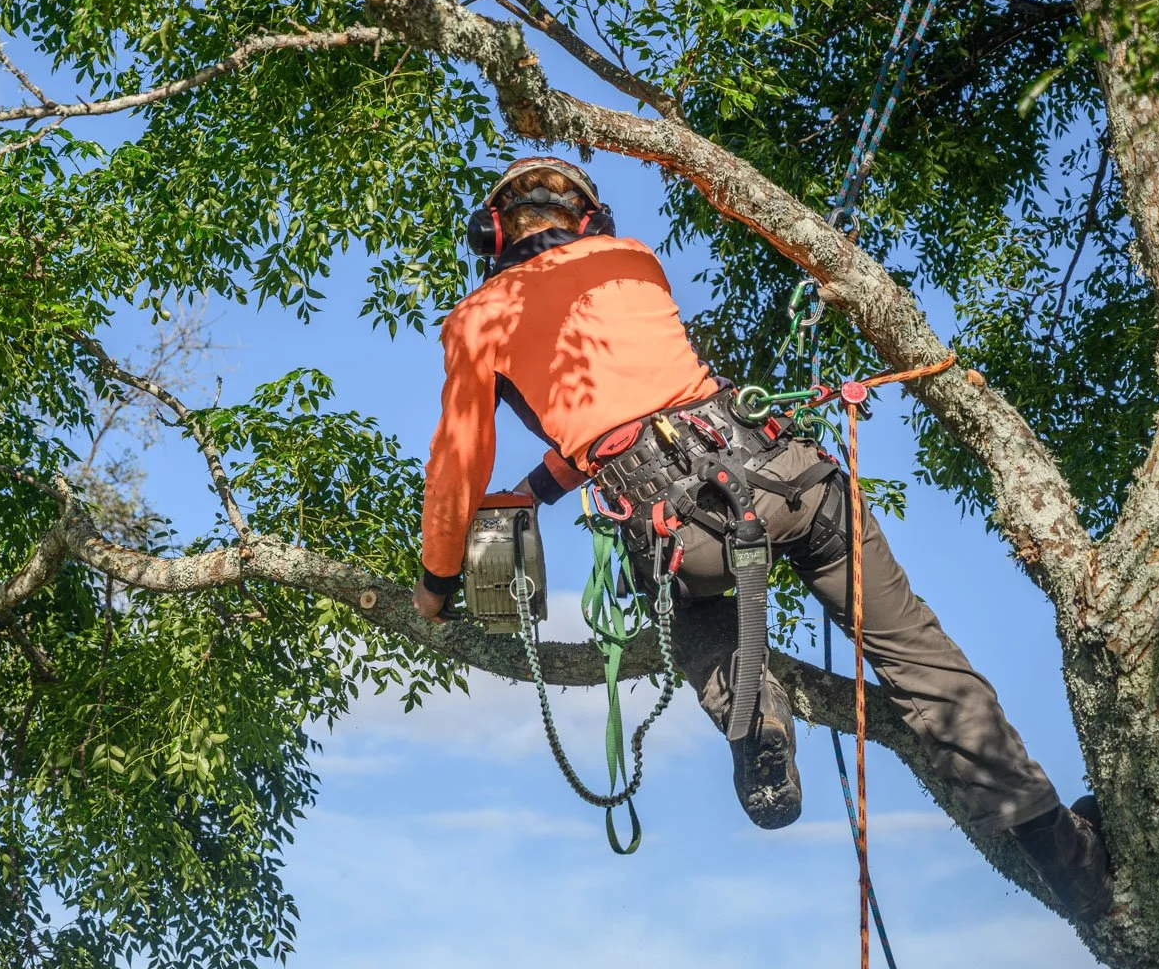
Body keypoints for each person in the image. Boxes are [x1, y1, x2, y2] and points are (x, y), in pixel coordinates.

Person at [410, 156, 1113, 923]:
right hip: (793, 483)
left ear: (491, 235)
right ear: (590, 220)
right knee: (920, 658)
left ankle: (756, 722)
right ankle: (1078, 871)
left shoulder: (479, 320)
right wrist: (542, 486)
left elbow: (462, 467)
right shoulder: (630, 260)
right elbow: (640, 396)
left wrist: (437, 586)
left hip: (686, 535)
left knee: (698, 622)